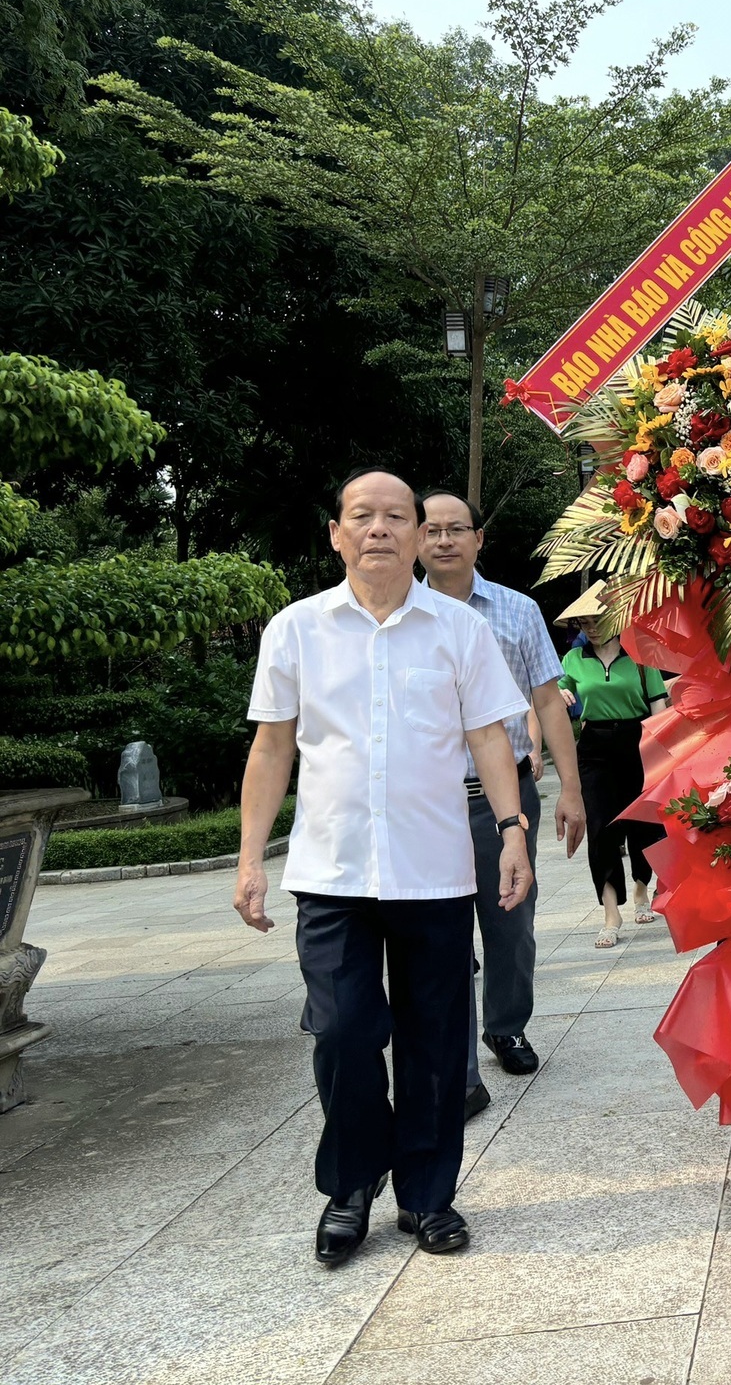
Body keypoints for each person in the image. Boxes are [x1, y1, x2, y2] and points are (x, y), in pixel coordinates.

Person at [234, 468, 533, 1265]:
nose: (379, 529)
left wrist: (511, 830)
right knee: (341, 1033)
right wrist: (248, 860)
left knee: (436, 1042)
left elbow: (489, 739)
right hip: (330, 873)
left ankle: (429, 1198)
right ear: (335, 533)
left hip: (433, 870)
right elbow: (271, 748)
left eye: (395, 516)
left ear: (416, 534)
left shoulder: (459, 630)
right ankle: (351, 1188)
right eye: (361, 516)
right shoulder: (295, 629)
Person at [417, 490, 587, 1118]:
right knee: (440, 933)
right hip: (428, 802)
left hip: (505, 796)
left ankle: (506, 1025)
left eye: (455, 529)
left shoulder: (516, 612)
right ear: (415, 540)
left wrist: (570, 789)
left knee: (510, 921)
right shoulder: (399, 615)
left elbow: (548, 702)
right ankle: (455, 1061)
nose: (443, 541)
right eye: (430, 530)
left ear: (478, 538)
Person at [558, 605, 672, 947]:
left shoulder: (640, 656)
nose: (591, 628)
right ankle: (611, 913)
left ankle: (641, 888)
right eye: (584, 623)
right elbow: (555, 691)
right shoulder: (573, 659)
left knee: (644, 824)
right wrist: (560, 693)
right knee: (600, 829)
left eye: (597, 620)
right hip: (593, 748)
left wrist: (663, 755)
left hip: (637, 742)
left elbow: (658, 706)